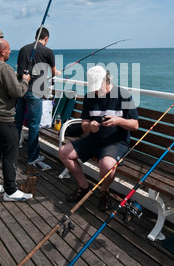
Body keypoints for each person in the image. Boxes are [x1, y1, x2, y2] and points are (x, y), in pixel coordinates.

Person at [58, 65, 139, 211]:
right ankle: (84, 185)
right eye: (93, 87)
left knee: (107, 165)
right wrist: (90, 127)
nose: (96, 91)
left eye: (98, 86)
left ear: (107, 80)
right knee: (64, 152)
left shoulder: (123, 94)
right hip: (94, 140)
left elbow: (135, 125)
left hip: (116, 142)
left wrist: (119, 121)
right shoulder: (90, 96)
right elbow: (84, 124)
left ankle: (104, 192)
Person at [0, 37, 33, 201]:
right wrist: (25, 80)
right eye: (8, 49)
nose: (10, 51)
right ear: (2, 51)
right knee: (10, 154)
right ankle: (10, 190)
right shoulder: (4, 69)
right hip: (2, 119)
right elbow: (17, 92)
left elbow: (1, 87)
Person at [15, 27, 60, 169]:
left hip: (21, 90)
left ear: (36, 37)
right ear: (46, 38)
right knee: (34, 126)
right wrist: (57, 73)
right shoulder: (47, 52)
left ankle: (12, 152)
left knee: (17, 122)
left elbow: (20, 69)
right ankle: (33, 157)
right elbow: (53, 72)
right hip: (35, 93)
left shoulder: (23, 49)